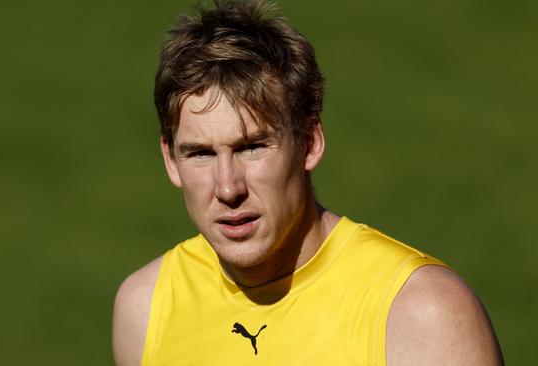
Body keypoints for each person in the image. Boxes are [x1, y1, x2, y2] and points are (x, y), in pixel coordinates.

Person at [112, 1, 504, 365]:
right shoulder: (145, 309)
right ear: (171, 160)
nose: (228, 188)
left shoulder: (422, 315)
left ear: (310, 143)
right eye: (201, 154)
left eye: (252, 147)